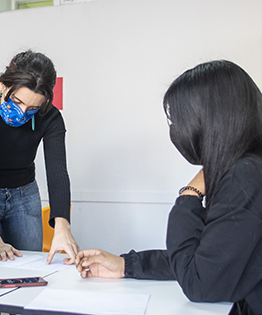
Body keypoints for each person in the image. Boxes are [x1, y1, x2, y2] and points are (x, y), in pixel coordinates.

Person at [76, 60, 262, 315]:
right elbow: (210, 255)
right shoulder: (249, 168)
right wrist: (126, 265)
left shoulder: (244, 177)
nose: (176, 130)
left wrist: (190, 195)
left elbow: (199, 282)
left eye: (177, 120)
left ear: (209, 120)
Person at [0, 50, 78, 264]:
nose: (23, 113)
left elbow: (57, 172)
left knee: (30, 265)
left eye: (33, 108)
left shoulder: (50, 117)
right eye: (17, 101)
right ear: (3, 86)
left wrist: (62, 227)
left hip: (25, 197)